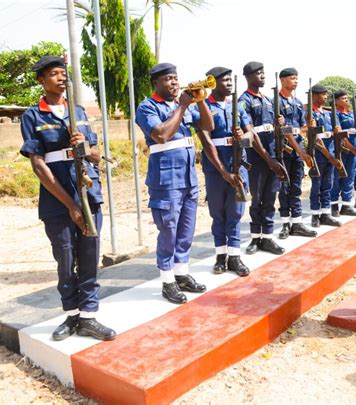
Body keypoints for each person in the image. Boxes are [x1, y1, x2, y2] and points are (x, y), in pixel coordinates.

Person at [20, 56, 116, 341]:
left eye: (64, 73)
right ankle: (71, 315)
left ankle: (88, 317)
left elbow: (97, 155)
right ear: (42, 80)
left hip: (88, 192)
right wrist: (70, 205)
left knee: (89, 254)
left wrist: (83, 146)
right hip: (57, 199)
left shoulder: (79, 111)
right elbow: (38, 165)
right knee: (65, 256)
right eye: (54, 74)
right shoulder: (33, 115)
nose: (61, 78)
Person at [135, 63, 214, 304]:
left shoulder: (183, 106)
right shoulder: (147, 107)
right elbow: (161, 134)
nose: (174, 83)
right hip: (166, 180)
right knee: (168, 230)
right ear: (156, 83)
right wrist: (182, 105)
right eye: (168, 79)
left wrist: (200, 100)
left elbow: (208, 126)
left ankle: (182, 273)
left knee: (186, 230)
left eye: (176, 78)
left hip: (188, 178)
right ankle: (167, 280)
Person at [198, 66, 251, 276]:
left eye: (230, 80)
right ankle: (221, 256)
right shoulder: (203, 107)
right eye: (224, 80)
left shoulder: (237, 106)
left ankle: (235, 257)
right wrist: (223, 172)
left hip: (239, 165)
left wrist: (243, 137)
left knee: (235, 213)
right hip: (216, 169)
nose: (229, 84)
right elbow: (206, 141)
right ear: (213, 83)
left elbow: (251, 135)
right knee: (218, 213)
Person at [239, 61, 288, 255]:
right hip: (257, 158)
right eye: (257, 73)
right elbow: (250, 133)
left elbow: (274, 128)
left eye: (263, 73)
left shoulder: (268, 100)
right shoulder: (244, 101)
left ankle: (267, 237)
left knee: (270, 197)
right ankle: (255, 237)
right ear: (248, 77)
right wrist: (268, 159)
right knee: (257, 198)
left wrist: (280, 123)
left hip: (273, 154)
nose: (262, 76)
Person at [276, 68, 317, 239]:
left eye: (297, 78)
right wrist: (302, 152)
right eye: (292, 78)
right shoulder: (275, 102)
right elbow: (284, 131)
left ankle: (297, 222)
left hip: (297, 149)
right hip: (284, 150)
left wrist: (309, 126)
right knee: (284, 188)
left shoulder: (298, 103)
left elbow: (302, 128)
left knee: (296, 187)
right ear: (283, 80)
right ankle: (286, 223)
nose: (296, 81)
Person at [308, 84, 342, 228]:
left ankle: (325, 213)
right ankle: (315, 215)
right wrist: (330, 157)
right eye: (323, 94)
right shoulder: (310, 114)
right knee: (317, 186)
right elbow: (315, 139)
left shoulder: (328, 113)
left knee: (327, 185)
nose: (326, 97)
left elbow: (337, 132)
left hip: (331, 153)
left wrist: (337, 131)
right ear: (314, 96)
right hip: (319, 155)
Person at [330, 90, 356, 217]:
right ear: (336, 101)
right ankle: (334, 205)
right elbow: (339, 134)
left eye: (347, 98)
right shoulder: (335, 114)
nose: (346, 100)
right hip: (341, 149)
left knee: (350, 176)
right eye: (343, 98)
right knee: (338, 176)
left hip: (353, 147)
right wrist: (352, 148)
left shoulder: (351, 114)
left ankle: (346, 205)